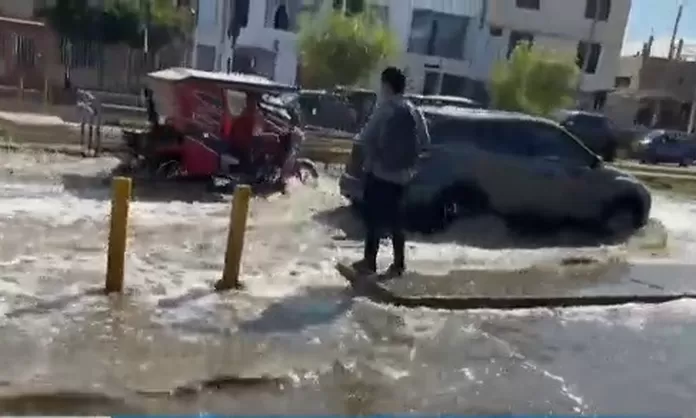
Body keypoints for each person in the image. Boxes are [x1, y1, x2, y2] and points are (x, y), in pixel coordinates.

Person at [351, 67, 431, 277]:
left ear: (387, 85)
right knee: (397, 220)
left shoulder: (385, 109)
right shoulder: (414, 110)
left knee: (374, 219)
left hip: (380, 173)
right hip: (404, 176)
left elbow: (366, 137)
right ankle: (399, 264)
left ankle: (369, 262)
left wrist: (369, 155)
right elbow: (425, 142)